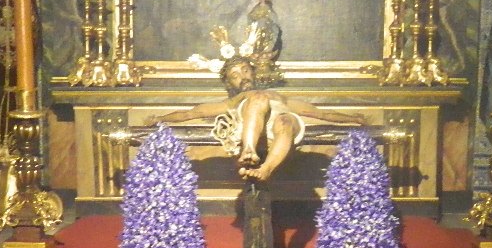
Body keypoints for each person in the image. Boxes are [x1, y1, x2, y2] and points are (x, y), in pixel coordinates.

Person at [146, 56, 365, 182]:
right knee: (258, 98)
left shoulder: (278, 97)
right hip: (252, 126)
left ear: (253, 72)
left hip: (281, 127)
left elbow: (321, 114)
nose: (242, 77)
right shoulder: (234, 101)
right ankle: (249, 151)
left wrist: (354, 118)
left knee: (286, 121)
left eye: (245, 70)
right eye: (235, 75)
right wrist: (160, 119)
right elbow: (193, 113)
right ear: (230, 83)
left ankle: (266, 168)